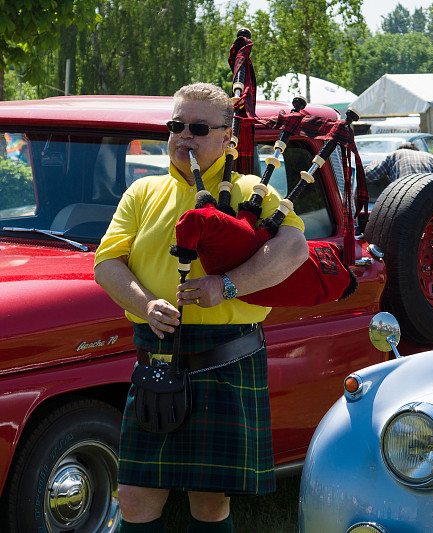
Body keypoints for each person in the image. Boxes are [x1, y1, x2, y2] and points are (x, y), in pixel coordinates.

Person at [94, 82, 308, 533]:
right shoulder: (143, 192)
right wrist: (146, 304)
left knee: (210, 503)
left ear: (228, 137)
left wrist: (227, 286)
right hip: (157, 357)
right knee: (132, 497)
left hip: (224, 359)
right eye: (177, 126)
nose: (184, 136)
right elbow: (107, 263)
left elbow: (293, 249)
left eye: (198, 128)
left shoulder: (250, 191)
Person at [364, 142, 433, 183]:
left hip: (405, 197)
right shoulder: (432, 158)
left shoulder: (395, 155)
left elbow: (368, 175)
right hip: (431, 198)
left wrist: (373, 165)